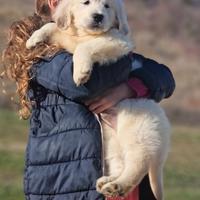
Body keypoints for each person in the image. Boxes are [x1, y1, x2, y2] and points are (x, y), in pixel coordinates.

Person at [2, 0, 175, 200]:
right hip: (69, 174)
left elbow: (164, 77)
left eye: (106, 6)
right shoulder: (42, 54)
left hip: (107, 164)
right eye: (85, 2)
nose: (98, 11)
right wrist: (121, 58)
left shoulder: (103, 42)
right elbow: (84, 85)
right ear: (55, 3)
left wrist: (128, 88)